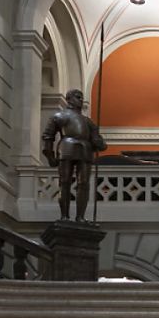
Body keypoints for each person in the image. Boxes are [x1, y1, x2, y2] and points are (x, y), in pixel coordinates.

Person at [42, 89, 107, 222]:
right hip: (67, 148)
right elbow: (48, 137)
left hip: (85, 151)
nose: (80, 100)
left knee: (83, 184)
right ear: (69, 99)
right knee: (64, 182)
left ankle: (80, 217)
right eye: (77, 97)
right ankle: (64, 216)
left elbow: (100, 143)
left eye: (82, 97)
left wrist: (97, 141)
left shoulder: (88, 122)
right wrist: (50, 156)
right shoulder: (60, 116)